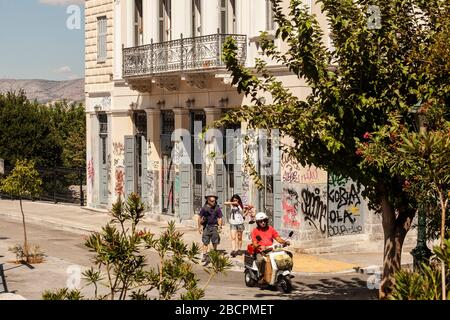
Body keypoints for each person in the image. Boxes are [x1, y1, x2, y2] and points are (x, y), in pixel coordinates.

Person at [251, 212, 290, 281]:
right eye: (260, 221)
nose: (263, 223)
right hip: (261, 251)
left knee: (285, 256)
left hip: (271, 250)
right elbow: (254, 243)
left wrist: (284, 242)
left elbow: (278, 238)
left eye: (264, 221)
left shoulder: (270, 229)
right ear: (257, 222)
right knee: (260, 260)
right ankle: (262, 274)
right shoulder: (255, 231)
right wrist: (259, 246)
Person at [198, 194, 223, 264]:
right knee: (205, 242)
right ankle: (204, 255)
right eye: (212, 201)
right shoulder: (204, 208)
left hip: (214, 227)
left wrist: (220, 226)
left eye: (214, 201)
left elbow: (220, 217)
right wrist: (199, 227)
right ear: (208, 201)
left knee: (215, 241)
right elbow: (199, 217)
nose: (213, 202)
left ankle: (214, 253)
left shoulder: (217, 208)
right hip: (206, 227)